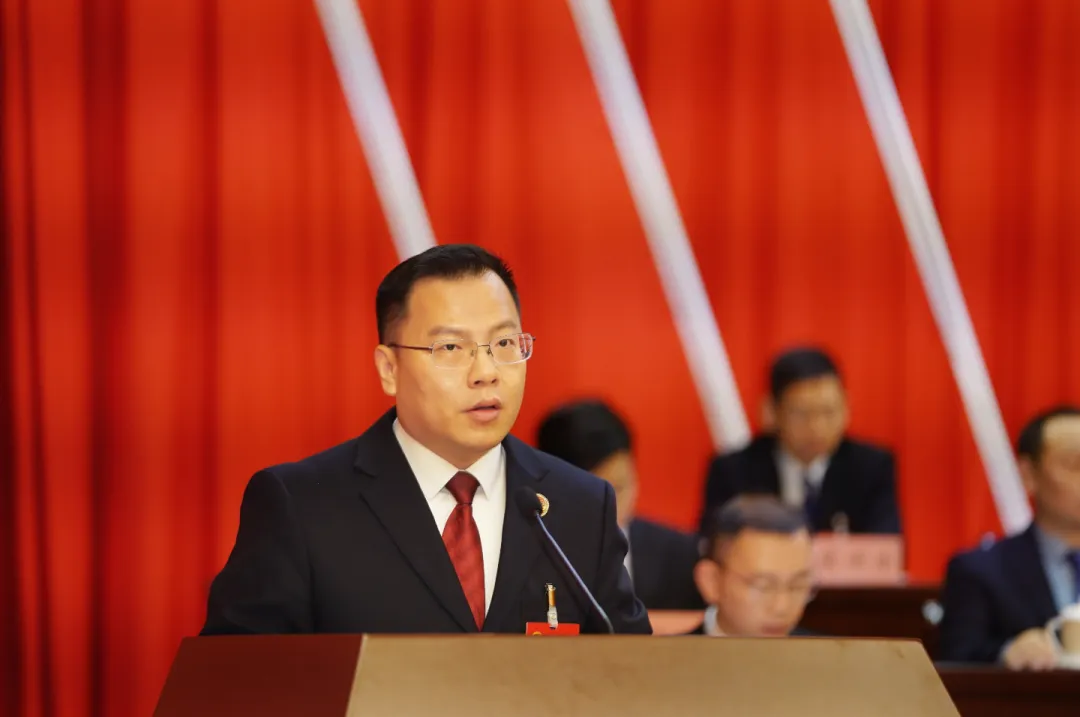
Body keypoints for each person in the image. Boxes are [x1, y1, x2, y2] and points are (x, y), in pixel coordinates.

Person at [201, 244, 650, 635]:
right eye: (451, 348)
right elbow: (236, 684)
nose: (486, 372)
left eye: (504, 344)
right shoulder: (302, 506)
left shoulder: (580, 507)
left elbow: (632, 676)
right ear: (389, 369)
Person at [700, 348, 900, 535]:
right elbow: (715, 543)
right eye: (802, 414)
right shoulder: (734, 471)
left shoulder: (870, 468)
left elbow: (887, 545)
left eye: (828, 412)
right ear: (771, 411)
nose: (817, 428)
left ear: (847, 408)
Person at [938, 405, 1080, 668]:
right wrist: (1005, 653)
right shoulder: (980, 571)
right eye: (1074, 463)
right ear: (1028, 474)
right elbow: (954, 662)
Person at [536, 400, 704, 610]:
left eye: (620, 487)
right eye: (592, 494)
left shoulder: (680, 556)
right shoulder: (521, 555)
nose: (611, 506)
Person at [691, 495, 815, 637]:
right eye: (763, 587)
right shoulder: (674, 650)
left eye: (797, 586)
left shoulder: (828, 650)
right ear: (711, 581)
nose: (781, 608)